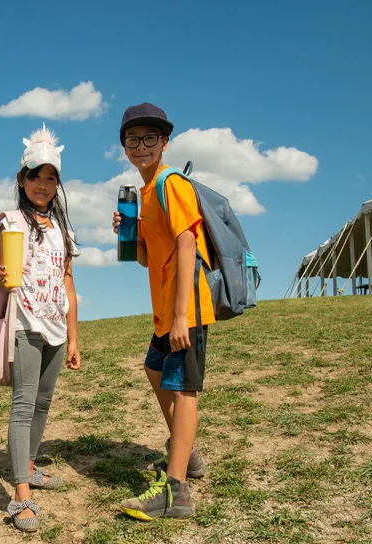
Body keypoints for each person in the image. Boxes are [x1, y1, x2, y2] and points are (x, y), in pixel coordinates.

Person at [112, 103, 213, 519]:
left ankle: (175, 492)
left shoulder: (172, 184)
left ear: (164, 142)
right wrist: (131, 237)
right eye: (132, 139)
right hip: (166, 310)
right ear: (124, 147)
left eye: (150, 138)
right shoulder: (147, 193)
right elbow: (147, 260)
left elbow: (189, 245)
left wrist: (180, 317)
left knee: (182, 387)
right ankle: (185, 453)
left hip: (184, 308)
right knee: (155, 369)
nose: (141, 146)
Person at [0, 125, 81, 532]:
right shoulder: (12, 221)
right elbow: (5, 275)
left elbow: (69, 285)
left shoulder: (64, 231)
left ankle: (30, 468)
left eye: (51, 178)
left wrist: (74, 338)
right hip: (26, 323)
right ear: (21, 179)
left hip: (56, 327)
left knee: (44, 402)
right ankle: (21, 497)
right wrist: (1, 275)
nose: (43, 185)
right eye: (36, 176)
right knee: (24, 403)